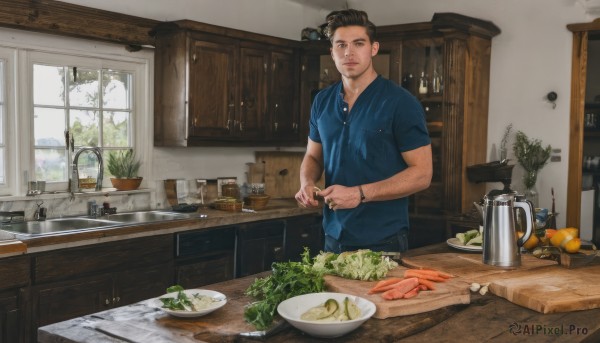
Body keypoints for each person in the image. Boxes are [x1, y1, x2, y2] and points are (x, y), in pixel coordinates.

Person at [295, 9, 433, 254]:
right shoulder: (321, 102)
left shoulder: (400, 103)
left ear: (373, 48)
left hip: (383, 240)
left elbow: (422, 174)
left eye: (358, 43)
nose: (349, 52)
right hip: (332, 236)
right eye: (341, 45)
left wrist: (358, 194)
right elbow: (314, 156)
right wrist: (307, 183)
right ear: (332, 52)